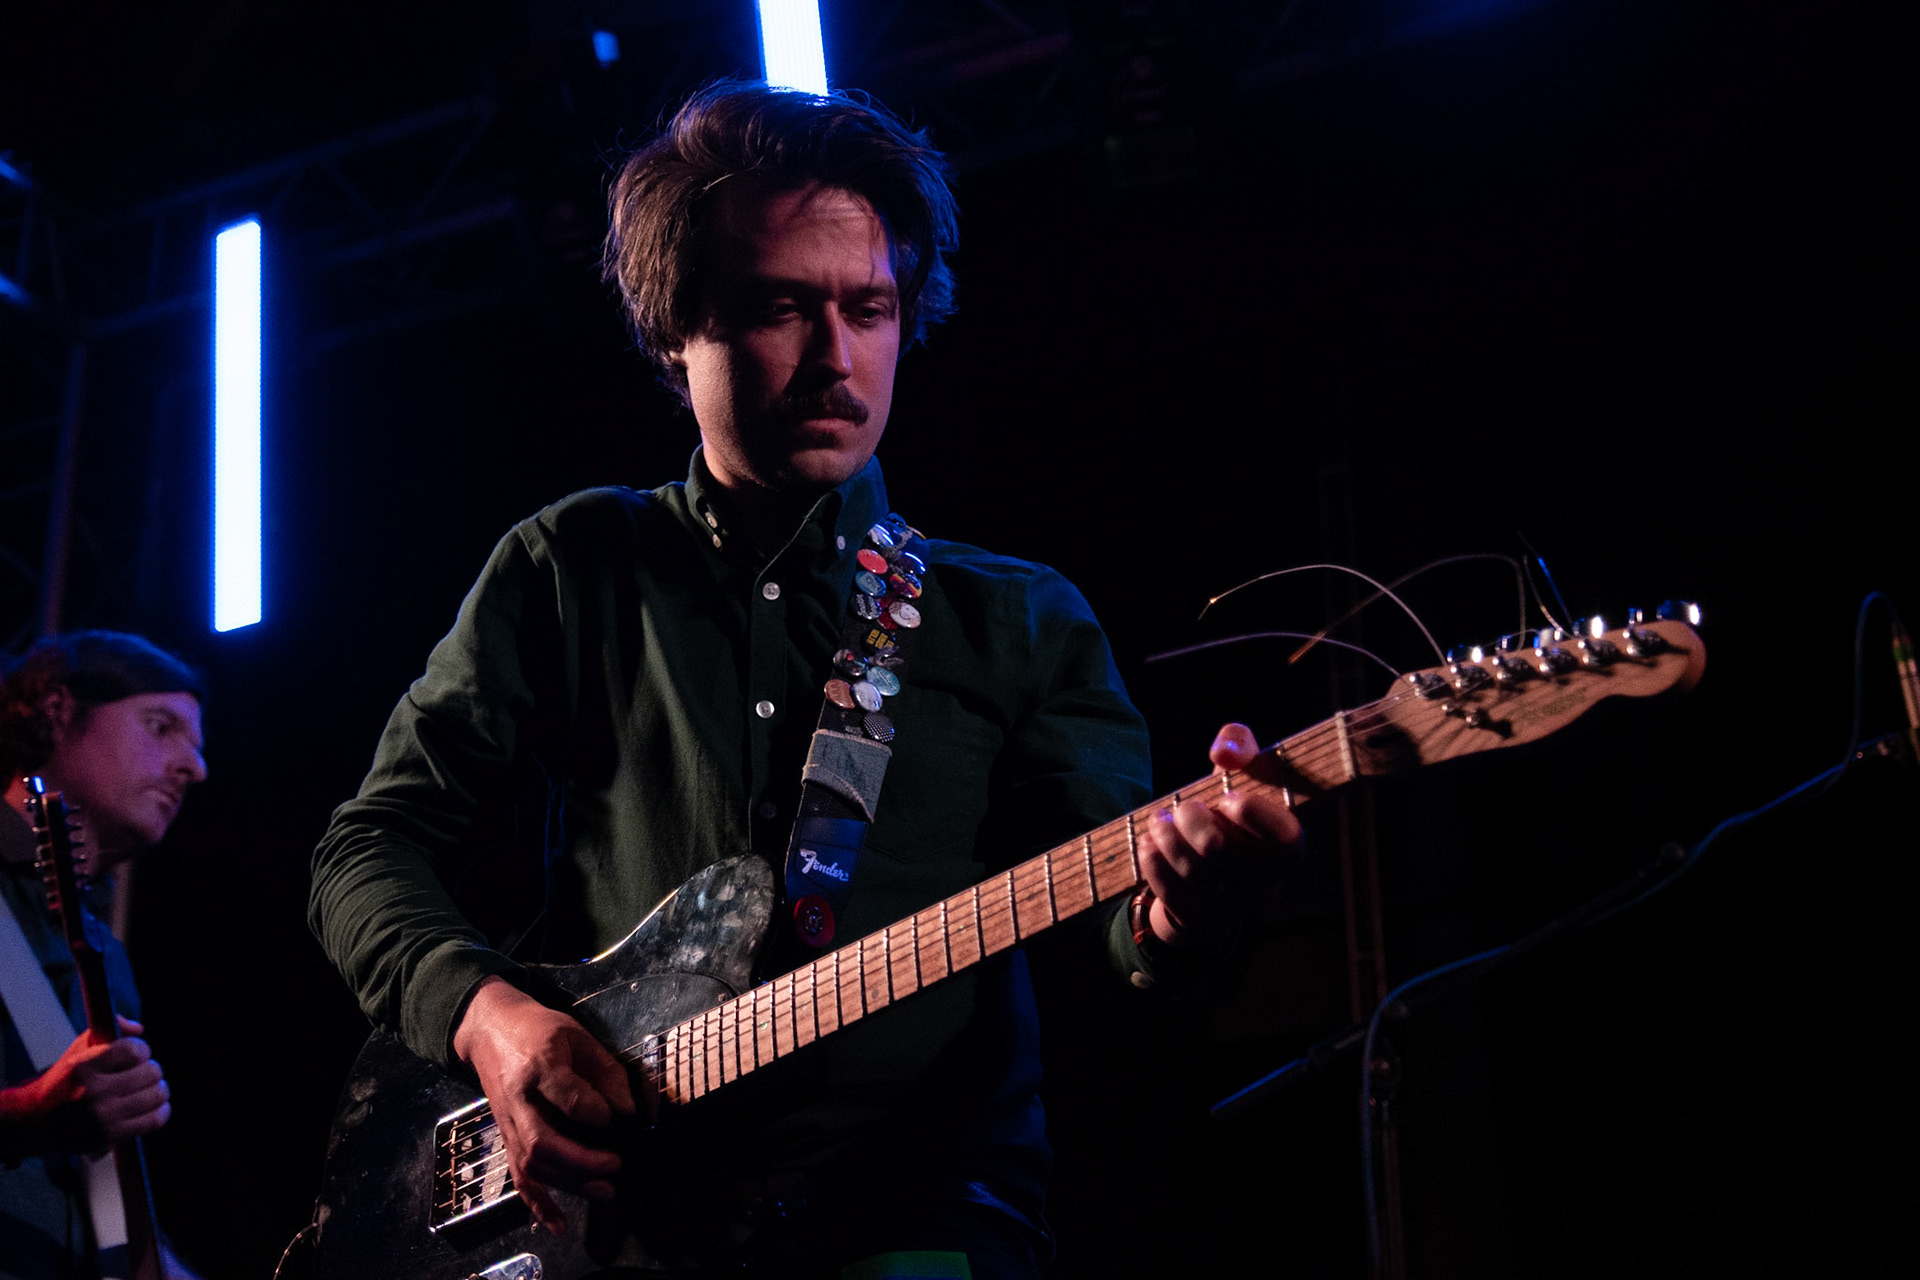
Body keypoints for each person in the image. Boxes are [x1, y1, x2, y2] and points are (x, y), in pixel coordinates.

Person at [309, 81, 1299, 1278]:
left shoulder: (1017, 617)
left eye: (870, 308)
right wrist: (494, 1017)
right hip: (624, 1233)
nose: (838, 356)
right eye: (781, 308)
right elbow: (366, 850)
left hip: (921, 1220)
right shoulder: (572, 566)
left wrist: (1179, 906)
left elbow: (1117, 929)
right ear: (679, 330)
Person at [0, 631, 208, 1280]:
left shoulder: (105, 954)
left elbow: (106, 1205)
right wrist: (29, 1115)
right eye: (160, 726)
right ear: (59, 711)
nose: (195, 768)